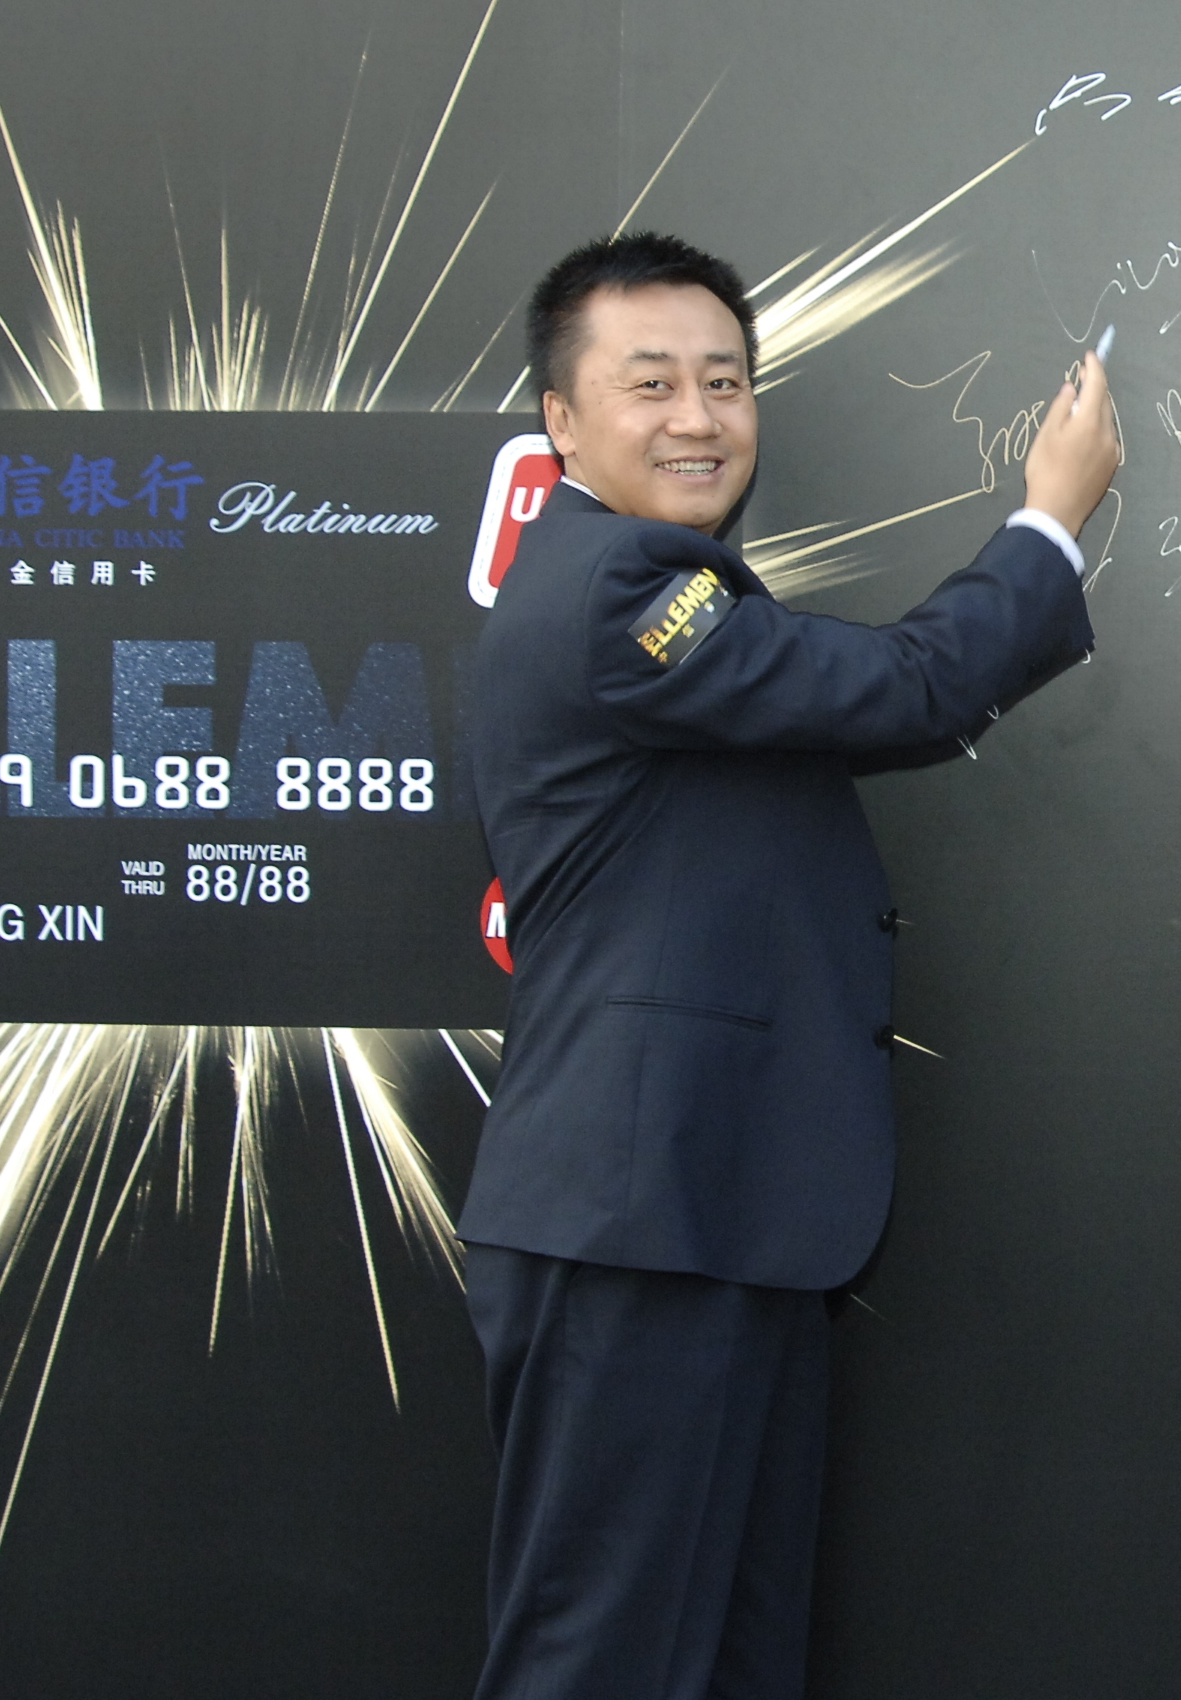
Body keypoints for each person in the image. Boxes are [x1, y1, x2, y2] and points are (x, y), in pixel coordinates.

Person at [455, 231, 1120, 1700]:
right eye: (651, 385)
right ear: (560, 419)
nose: (698, 417)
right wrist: (1048, 524)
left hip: (715, 1211)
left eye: (726, 382)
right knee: (603, 1662)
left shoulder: (664, 586)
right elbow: (905, 690)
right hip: (640, 1225)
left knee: (733, 1658)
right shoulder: (619, 588)